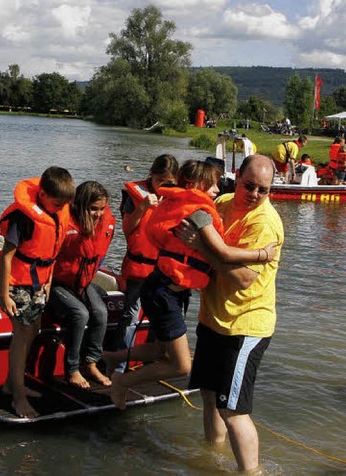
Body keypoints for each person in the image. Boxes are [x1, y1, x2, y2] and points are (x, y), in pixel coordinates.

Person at [106, 160, 277, 410]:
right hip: (164, 293)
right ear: (197, 186)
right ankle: (122, 382)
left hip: (163, 288)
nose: (218, 191)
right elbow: (224, 253)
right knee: (181, 365)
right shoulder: (199, 212)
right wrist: (262, 254)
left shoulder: (184, 203)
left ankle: (112, 357)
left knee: (161, 350)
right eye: (213, 186)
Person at [180, 155, 284, 472]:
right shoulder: (223, 203)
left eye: (262, 190)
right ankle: (212, 459)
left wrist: (200, 248)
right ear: (237, 177)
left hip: (245, 325)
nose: (253, 194)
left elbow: (243, 279)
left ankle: (251, 472)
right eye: (249, 185)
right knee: (210, 396)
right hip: (213, 319)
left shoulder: (264, 223)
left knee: (233, 409)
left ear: (270, 191)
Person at [0, 166, 76, 418]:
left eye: (63, 206)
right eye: (57, 204)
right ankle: (18, 396)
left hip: (39, 281)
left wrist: (48, 281)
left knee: (34, 328)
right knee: (23, 332)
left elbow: (51, 252)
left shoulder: (57, 212)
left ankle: (10, 384)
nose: (60, 209)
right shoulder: (23, 217)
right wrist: (4, 295)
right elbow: (7, 256)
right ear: (42, 195)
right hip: (15, 281)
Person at [113, 154, 179, 370]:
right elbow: (127, 229)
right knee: (131, 315)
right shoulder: (134, 196)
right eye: (160, 181)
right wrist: (142, 206)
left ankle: (151, 363)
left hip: (164, 269)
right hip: (139, 268)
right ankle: (119, 365)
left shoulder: (175, 198)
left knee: (159, 319)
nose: (164, 187)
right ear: (151, 175)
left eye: (169, 183)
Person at [47, 181, 116, 388]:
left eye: (101, 209)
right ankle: (72, 369)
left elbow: (98, 258)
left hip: (81, 282)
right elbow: (47, 260)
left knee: (101, 312)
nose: (98, 214)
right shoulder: (65, 225)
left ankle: (91, 363)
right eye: (93, 209)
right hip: (56, 283)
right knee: (80, 314)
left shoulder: (106, 225)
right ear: (80, 206)